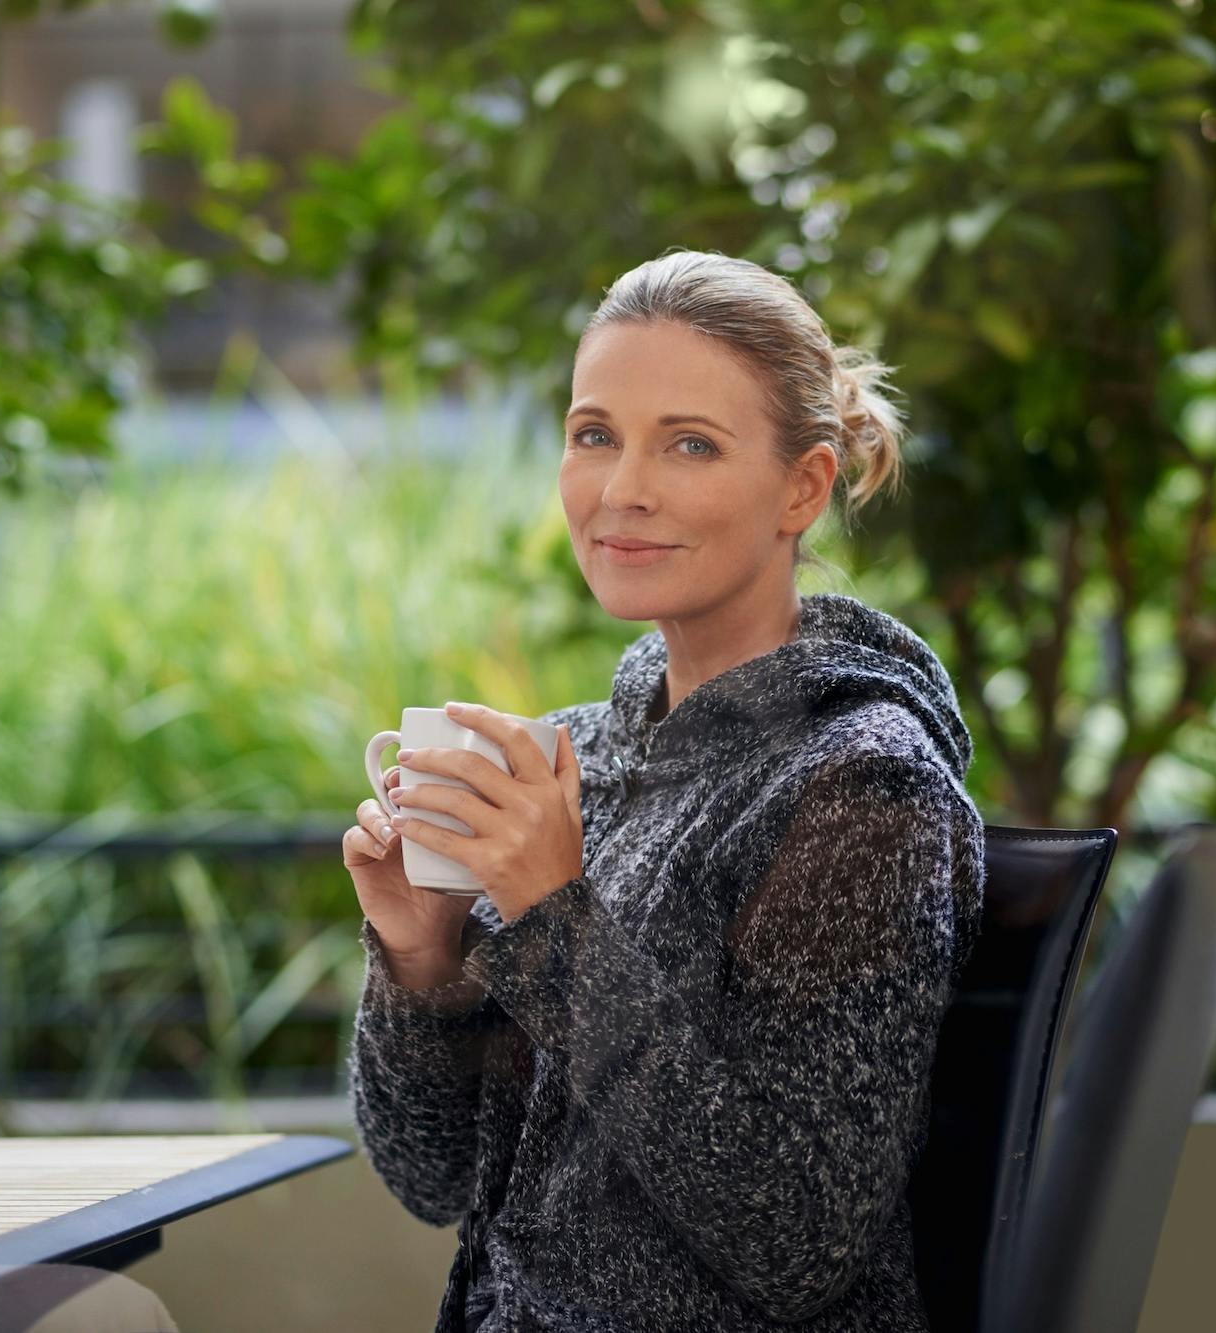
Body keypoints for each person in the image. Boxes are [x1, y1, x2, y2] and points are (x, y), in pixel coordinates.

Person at [341, 249, 987, 1332]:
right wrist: (422, 963)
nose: (621, 488)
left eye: (689, 444)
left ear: (803, 486)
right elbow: (434, 1180)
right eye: (595, 434)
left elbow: (794, 1239)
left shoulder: (863, 789)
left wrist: (553, 921)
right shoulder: (575, 762)